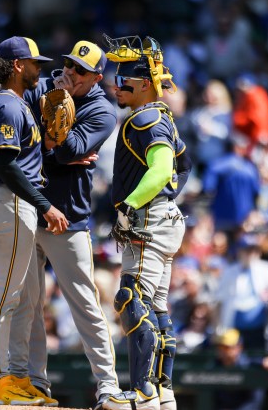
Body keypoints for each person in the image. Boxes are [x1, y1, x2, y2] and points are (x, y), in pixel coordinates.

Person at [14, 40, 121, 409]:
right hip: (31, 210)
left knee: (85, 304)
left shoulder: (102, 110)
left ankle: (107, 386)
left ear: (95, 77)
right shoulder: (42, 87)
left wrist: (55, 145)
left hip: (69, 219)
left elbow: (70, 150)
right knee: (29, 303)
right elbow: (27, 149)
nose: (70, 73)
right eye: (69, 65)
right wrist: (54, 145)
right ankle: (36, 384)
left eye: (80, 70)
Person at [0, 36, 68, 405]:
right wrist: (45, 205)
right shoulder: (7, 105)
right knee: (5, 296)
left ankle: (15, 376)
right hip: (9, 201)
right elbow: (6, 163)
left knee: (22, 297)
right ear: (17, 65)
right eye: (34, 63)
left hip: (13, 204)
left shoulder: (13, 104)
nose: (38, 69)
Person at [102, 34, 192, 410]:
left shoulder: (145, 118)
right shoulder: (162, 117)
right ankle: (163, 392)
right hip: (166, 216)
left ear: (142, 85)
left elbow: (163, 168)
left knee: (131, 299)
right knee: (156, 308)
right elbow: (183, 165)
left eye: (124, 81)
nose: (116, 85)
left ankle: (142, 392)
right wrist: (166, 199)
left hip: (150, 217)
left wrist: (133, 205)